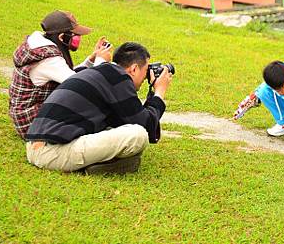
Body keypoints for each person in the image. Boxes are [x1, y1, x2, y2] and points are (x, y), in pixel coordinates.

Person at [25, 42, 173, 174]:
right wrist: (159, 92)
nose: (146, 75)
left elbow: (126, 119)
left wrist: (151, 93)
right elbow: (146, 126)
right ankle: (99, 166)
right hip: (51, 152)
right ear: (134, 69)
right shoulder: (118, 78)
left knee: (118, 128)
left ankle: (102, 162)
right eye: (146, 69)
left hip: (35, 146)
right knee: (137, 135)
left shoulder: (100, 72)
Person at [9, 10, 111, 138]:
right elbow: (82, 85)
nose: (77, 38)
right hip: (31, 124)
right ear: (62, 37)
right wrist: (101, 61)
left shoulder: (44, 46)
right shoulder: (49, 60)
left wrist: (91, 59)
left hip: (27, 116)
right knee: (88, 102)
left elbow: (70, 74)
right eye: (75, 34)